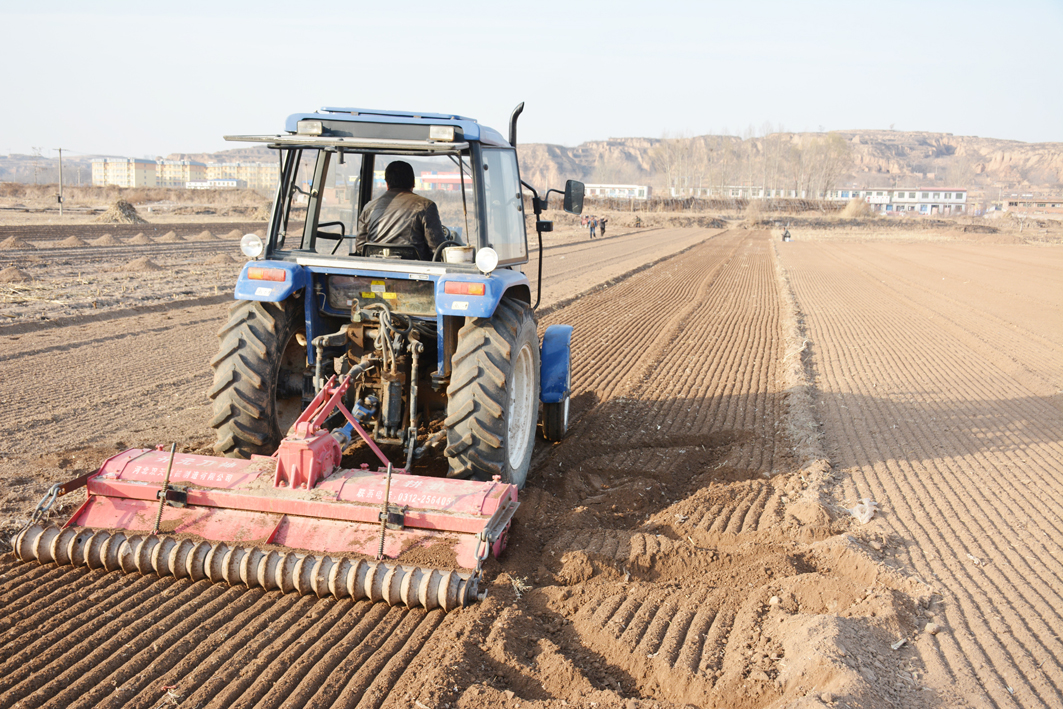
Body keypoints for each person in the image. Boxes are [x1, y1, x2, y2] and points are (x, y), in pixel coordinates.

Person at [355, 161, 446, 260]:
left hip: (376, 269)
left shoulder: (369, 207)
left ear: (387, 183)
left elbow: (360, 246)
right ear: (413, 183)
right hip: (414, 270)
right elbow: (438, 248)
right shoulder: (426, 206)